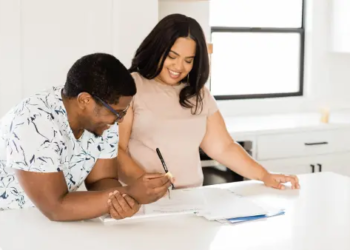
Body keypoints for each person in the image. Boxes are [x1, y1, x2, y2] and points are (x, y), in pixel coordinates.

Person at [116, 14, 300, 191]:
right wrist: (144, 183)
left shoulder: (199, 94)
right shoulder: (132, 87)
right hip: (143, 200)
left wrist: (264, 175)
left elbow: (224, 147)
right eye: (172, 57)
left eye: (188, 60)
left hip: (192, 198)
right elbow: (118, 150)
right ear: (157, 49)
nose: (179, 67)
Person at [0, 53, 172, 221]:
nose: (119, 120)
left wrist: (121, 202)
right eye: (117, 113)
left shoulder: (103, 121)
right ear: (84, 100)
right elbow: (55, 208)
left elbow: (102, 180)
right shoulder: (33, 121)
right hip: (10, 218)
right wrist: (131, 192)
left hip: (48, 221)